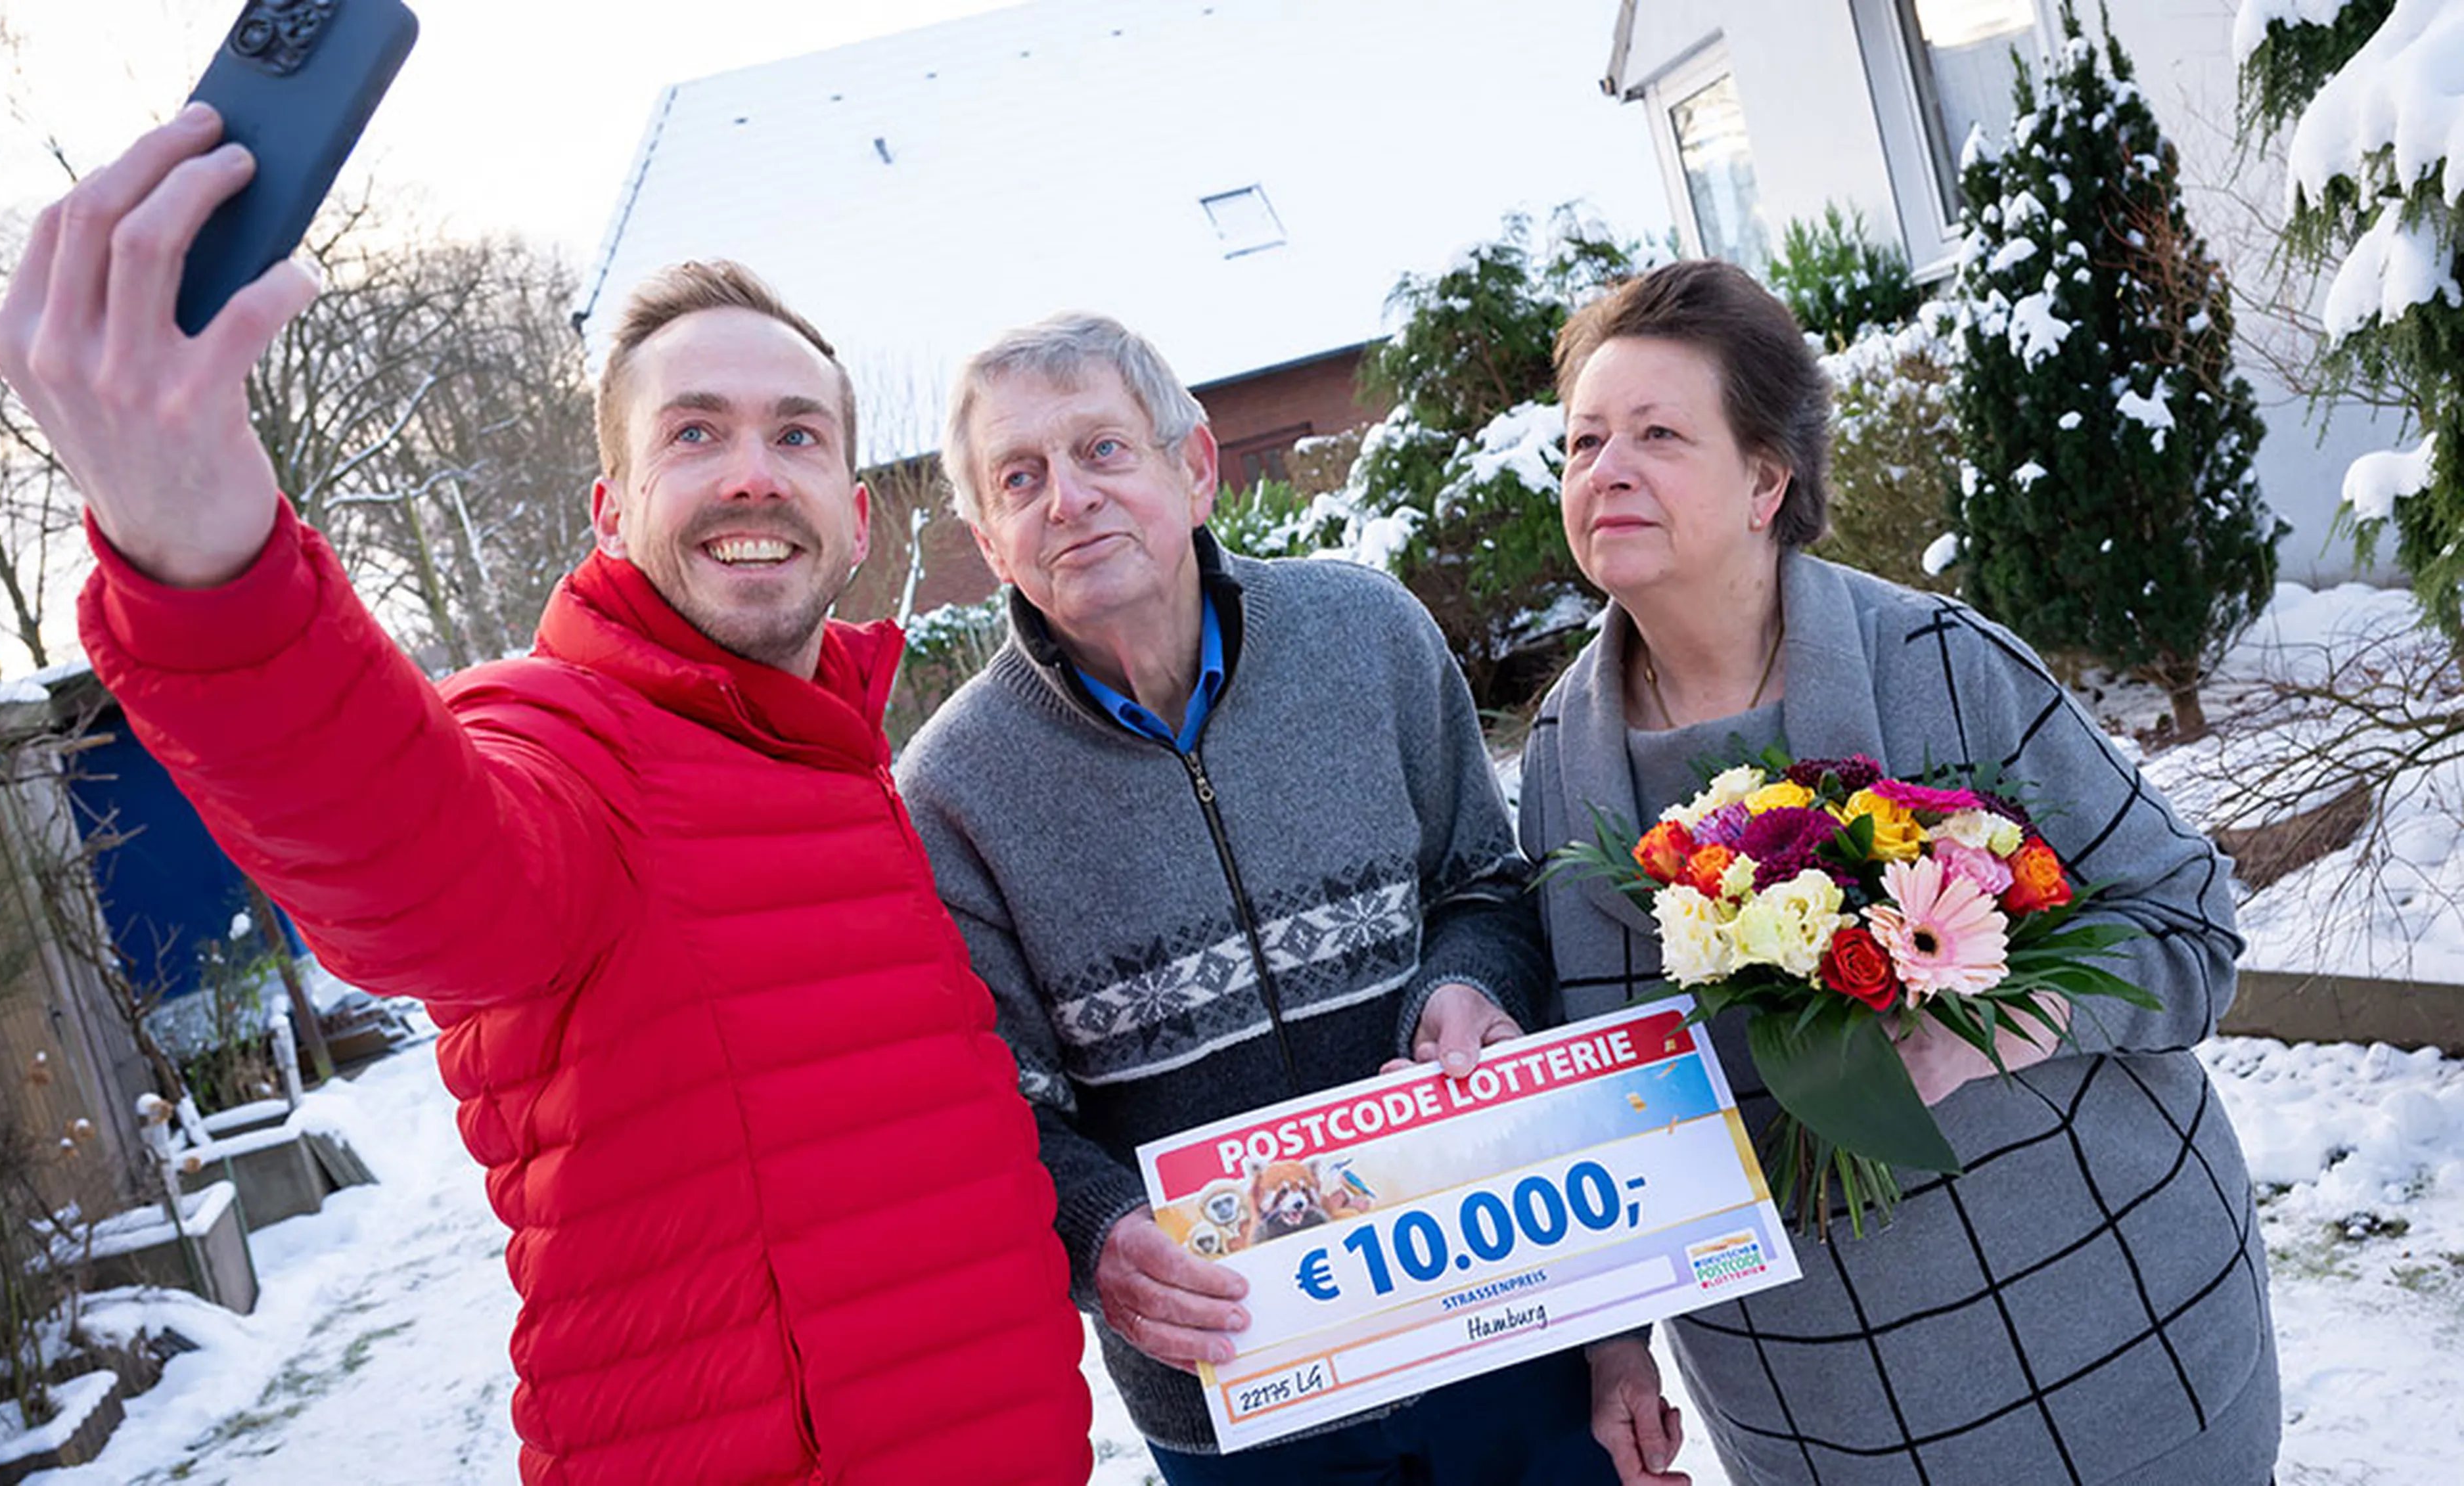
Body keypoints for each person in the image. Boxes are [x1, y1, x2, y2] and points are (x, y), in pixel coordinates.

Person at [0, 105, 1092, 1485]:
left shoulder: (859, 770)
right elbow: (420, 870)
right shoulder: (563, 740)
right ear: (611, 508)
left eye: (798, 435)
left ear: (855, 515)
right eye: (696, 434)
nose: (754, 468)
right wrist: (209, 558)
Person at [1518, 258, 2280, 1485]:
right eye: (1583, 440)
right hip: (1815, 1413)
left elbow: (2195, 929)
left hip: (2117, 1340)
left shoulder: (1940, 660)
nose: (1605, 467)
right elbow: (1611, 1091)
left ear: (1768, 478)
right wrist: (1616, 1348)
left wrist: (2010, 1018)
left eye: (1658, 433)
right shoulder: (1564, 757)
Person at [895, 314, 1603, 1483]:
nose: (1068, 498)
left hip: (1501, 1317)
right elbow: (994, 1109)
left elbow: (1485, 882)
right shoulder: (950, 793)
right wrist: (1095, 1232)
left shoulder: (1367, 636)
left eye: (1104, 450)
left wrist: (1467, 982)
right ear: (990, 539)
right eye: (1022, 477)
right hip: (1237, 1401)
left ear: (1197, 466)